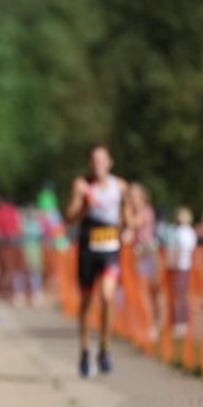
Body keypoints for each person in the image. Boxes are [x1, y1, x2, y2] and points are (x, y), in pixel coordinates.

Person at [65, 144, 132, 377]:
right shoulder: (82, 186)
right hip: (87, 246)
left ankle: (104, 347)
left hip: (110, 246)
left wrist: (129, 228)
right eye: (93, 160)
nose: (97, 164)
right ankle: (85, 350)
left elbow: (127, 216)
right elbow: (70, 218)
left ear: (110, 162)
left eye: (101, 160)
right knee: (86, 302)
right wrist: (84, 207)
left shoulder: (120, 186)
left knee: (107, 296)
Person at [128, 183, 160, 340]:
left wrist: (125, 211)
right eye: (130, 196)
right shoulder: (136, 211)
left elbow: (134, 223)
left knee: (145, 292)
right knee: (141, 291)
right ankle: (145, 324)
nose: (131, 199)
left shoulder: (145, 211)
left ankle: (151, 325)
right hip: (138, 253)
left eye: (134, 196)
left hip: (146, 253)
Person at [167, 207, 197, 337]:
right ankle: (177, 321)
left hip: (183, 265)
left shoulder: (186, 232)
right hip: (178, 265)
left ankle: (182, 322)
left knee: (181, 295)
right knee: (178, 295)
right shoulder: (181, 231)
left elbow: (183, 247)